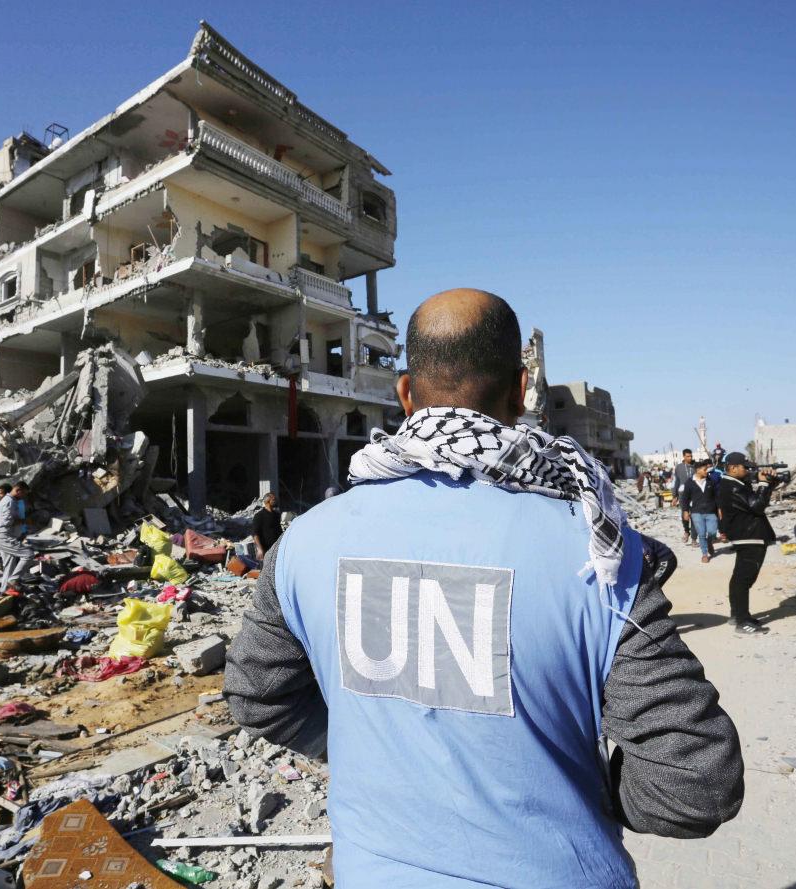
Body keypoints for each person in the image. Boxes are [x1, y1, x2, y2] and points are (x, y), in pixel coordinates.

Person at [224, 289, 743, 887]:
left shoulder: (305, 543)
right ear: (522, 391)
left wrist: (362, 752)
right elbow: (695, 784)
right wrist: (582, 785)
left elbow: (257, 698)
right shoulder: (597, 553)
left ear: (404, 393)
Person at [716, 452, 782, 635]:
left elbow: (757, 501)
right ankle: (742, 621)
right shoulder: (732, 486)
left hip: (749, 534)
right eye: (745, 467)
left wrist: (769, 482)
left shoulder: (736, 484)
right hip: (749, 536)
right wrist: (763, 484)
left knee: (742, 578)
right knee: (743, 579)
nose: (748, 470)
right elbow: (757, 506)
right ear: (732, 468)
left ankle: (738, 615)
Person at [0, 482, 35, 594]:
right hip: (5, 537)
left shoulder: (9, 501)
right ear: (18, 490)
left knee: (9, 567)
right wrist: (25, 521)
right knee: (29, 554)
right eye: (23, 494)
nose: (23, 497)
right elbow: (7, 522)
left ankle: (4, 591)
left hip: (3, 537)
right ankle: (13, 580)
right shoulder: (9, 501)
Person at [680, 459, 719, 563]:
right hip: (697, 512)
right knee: (701, 534)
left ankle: (710, 543)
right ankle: (705, 554)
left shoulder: (711, 481)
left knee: (712, 532)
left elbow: (717, 496)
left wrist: (719, 509)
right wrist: (685, 511)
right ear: (698, 470)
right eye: (704, 469)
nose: (707, 471)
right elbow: (685, 499)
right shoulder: (689, 483)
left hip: (711, 511)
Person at [672, 449, 696, 545]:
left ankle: (694, 538)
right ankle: (686, 531)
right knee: (684, 514)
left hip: (694, 494)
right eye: (687, 456)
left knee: (694, 515)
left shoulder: (695, 466)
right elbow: (676, 481)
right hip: (683, 494)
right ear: (683, 456)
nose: (690, 458)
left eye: (691, 456)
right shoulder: (679, 467)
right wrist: (675, 496)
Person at [251, 493, 282, 558]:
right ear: (268, 501)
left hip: (277, 548)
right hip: (266, 549)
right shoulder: (259, 516)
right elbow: (255, 534)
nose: (276, 501)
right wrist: (260, 549)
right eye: (274, 499)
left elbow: (279, 530)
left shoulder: (276, 515)